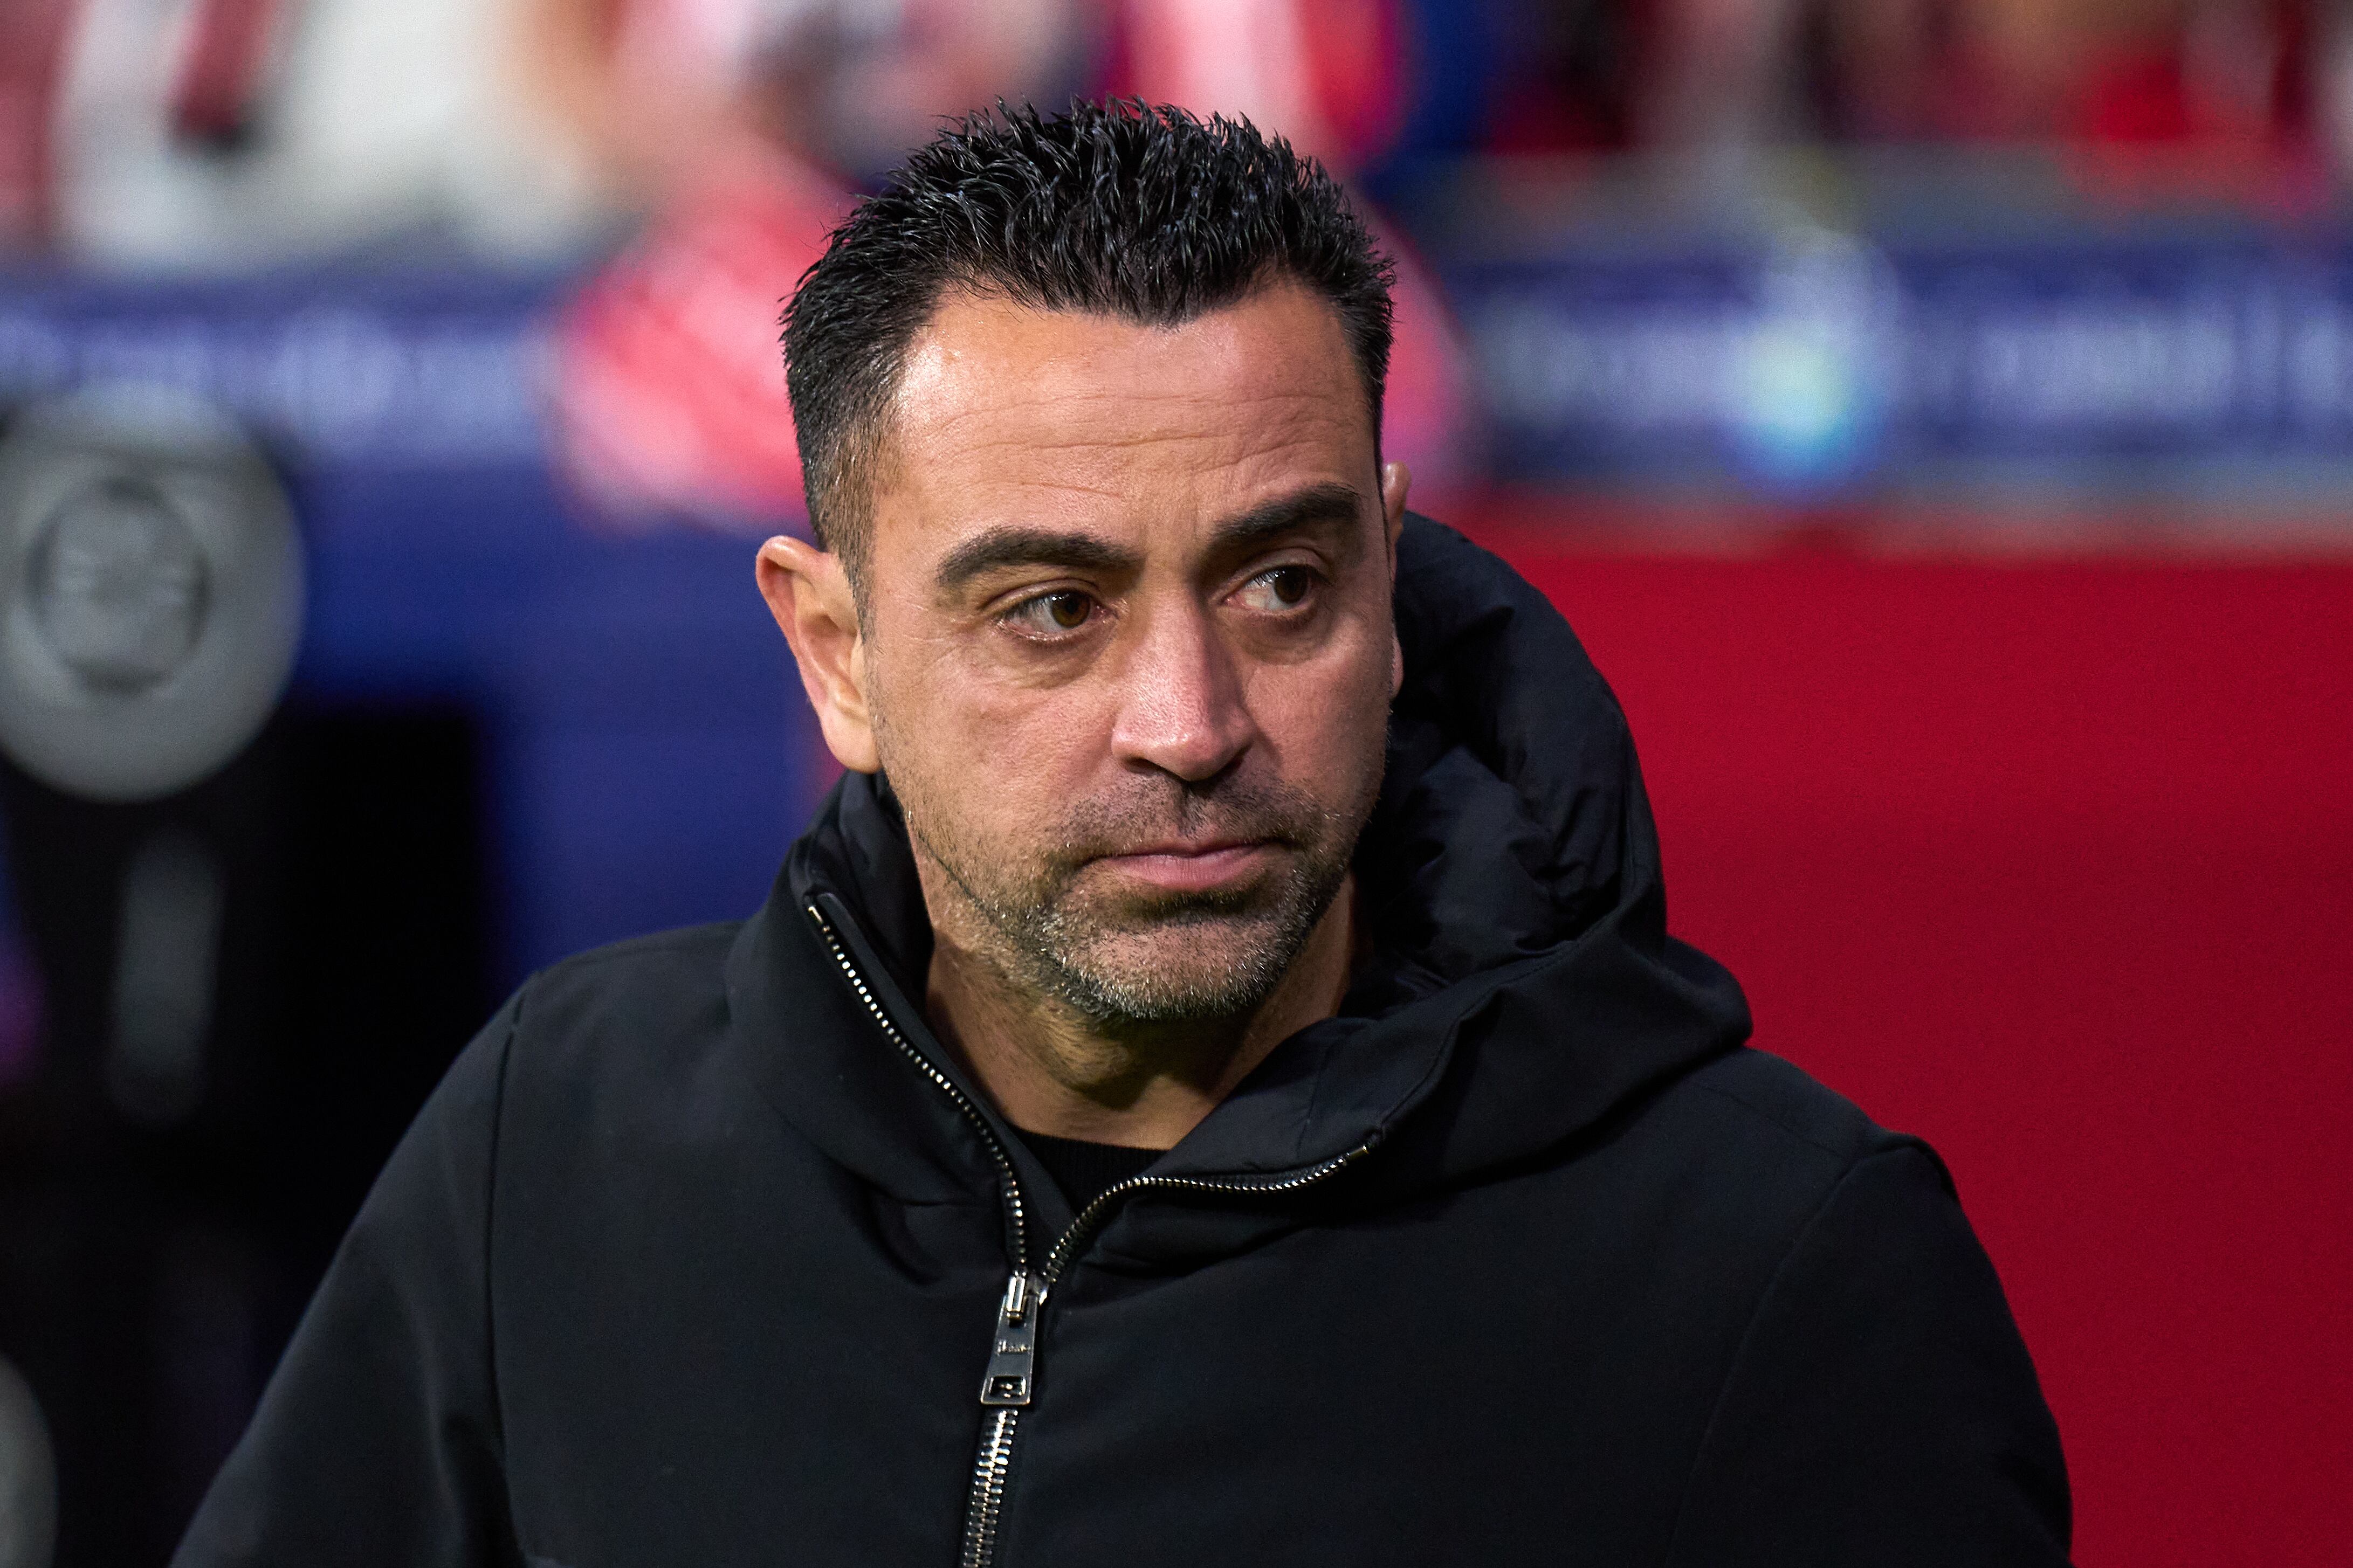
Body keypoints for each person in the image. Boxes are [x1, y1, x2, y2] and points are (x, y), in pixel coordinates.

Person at [174, 100, 2071, 1566]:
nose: (1186, 726)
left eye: (1278, 587)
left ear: (1390, 584)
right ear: (834, 655)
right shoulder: (554, 1142)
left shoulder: (1774, 1259)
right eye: (1050, 611)